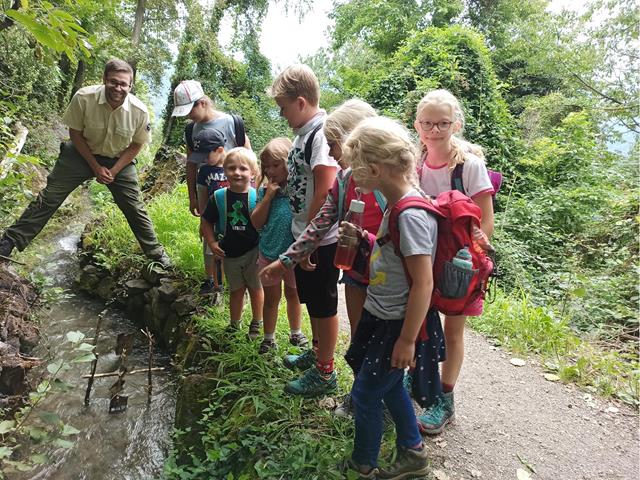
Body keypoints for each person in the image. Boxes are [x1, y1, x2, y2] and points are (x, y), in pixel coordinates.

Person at [262, 99, 381, 412]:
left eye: (334, 146)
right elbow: (320, 222)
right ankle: (361, 395)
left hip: (388, 280)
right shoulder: (343, 182)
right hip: (356, 275)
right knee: (359, 340)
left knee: (385, 339)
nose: (332, 153)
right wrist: (285, 261)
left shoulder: (387, 183)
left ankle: (385, 403)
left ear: (356, 141)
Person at [0, 59, 170, 266]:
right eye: (113, 82)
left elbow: (137, 145)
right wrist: (95, 167)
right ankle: (8, 243)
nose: (118, 88)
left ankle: (156, 254)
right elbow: (75, 133)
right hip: (81, 153)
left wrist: (114, 171)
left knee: (134, 206)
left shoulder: (139, 111)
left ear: (130, 85)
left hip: (118, 159)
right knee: (49, 197)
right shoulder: (84, 97)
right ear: (104, 79)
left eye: (123, 84)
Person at [341, 116, 433, 479]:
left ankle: (362, 464)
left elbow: (423, 283)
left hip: (396, 324)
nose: (352, 177)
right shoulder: (397, 205)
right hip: (381, 314)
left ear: (375, 168)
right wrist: (365, 240)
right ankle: (413, 452)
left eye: (354, 169)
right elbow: (397, 257)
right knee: (389, 384)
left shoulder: (410, 213)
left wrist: (408, 339)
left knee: (365, 395)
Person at [413, 89, 495, 434]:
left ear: (455, 123)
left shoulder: (470, 166)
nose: (434, 130)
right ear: (417, 125)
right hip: (422, 257)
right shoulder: (414, 164)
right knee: (419, 324)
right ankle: (418, 383)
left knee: (454, 330)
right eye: (428, 123)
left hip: (458, 263)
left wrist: (468, 259)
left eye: (442, 123)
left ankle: (445, 399)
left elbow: (486, 222)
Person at [262, 64, 340, 397]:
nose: (281, 113)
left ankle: (325, 373)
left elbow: (324, 187)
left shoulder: (320, 134)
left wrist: (308, 240)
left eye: (283, 106)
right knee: (312, 301)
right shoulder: (303, 134)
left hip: (320, 239)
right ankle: (318, 351)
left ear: (302, 101)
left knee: (324, 305)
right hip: (305, 236)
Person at [250, 138, 306, 354]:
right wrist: (269, 196)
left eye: (276, 165)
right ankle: (269, 338)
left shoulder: (298, 191)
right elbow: (256, 223)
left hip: (292, 256)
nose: (270, 171)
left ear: (288, 163)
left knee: (294, 295)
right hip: (269, 253)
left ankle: (296, 332)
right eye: (266, 166)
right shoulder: (264, 193)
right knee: (271, 298)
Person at [200, 148, 264, 338]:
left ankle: (257, 322)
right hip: (228, 253)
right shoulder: (218, 197)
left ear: (253, 173)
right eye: (231, 168)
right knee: (235, 290)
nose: (237, 172)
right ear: (224, 171)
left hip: (254, 251)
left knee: (256, 288)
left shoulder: (257, 197)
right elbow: (206, 220)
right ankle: (234, 324)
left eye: (243, 169)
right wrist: (211, 242)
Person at [170, 80, 251, 218]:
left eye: (190, 110)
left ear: (202, 103)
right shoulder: (191, 130)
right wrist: (193, 197)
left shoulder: (231, 123)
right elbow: (191, 165)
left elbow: (250, 160)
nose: (189, 116)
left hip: (237, 193)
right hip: (207, 193)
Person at [192, 128, 229, 295]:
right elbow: (202, 196)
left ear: (219, 150)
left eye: (206, 156)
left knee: (227, 252)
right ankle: (211, 281)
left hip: (231, 218)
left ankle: (228, 282)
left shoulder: (235, 165)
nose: (204, 161)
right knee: (210, 249)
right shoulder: (205, 171)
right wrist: (203, 221)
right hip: (212, 219)